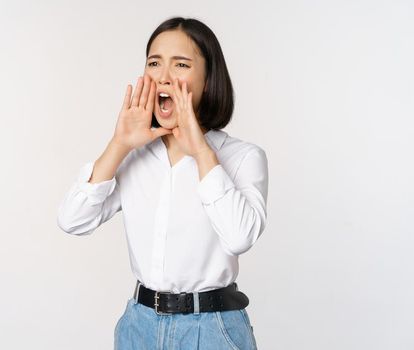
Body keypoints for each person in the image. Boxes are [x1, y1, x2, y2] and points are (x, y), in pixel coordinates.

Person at [56, 17, 267, 350]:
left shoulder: (242, 157)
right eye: (154, 63)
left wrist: (200, 149)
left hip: (212, 329)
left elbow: (240, 236)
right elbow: (72, 220)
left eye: (181, 64)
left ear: (208, 78)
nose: (164, 76)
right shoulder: (134, 156)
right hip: (139, 326)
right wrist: (119, 144)